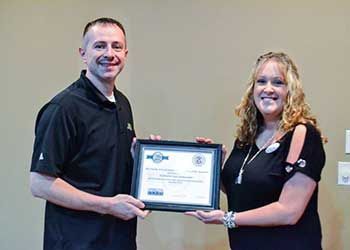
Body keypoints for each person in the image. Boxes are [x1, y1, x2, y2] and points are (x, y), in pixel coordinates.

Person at [30, 17, 152, 250]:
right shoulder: (63, 109)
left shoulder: (122, 104)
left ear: (126, 53)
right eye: (100, 46)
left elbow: (105, 165)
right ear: (83, 54)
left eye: (116, 46)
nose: (109, 53)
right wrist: (107, 205)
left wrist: (145, 160)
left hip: (119, 240)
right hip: (77, 242)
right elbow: (40, 183)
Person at [186, 51, 326, 250]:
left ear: (291, 90)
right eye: (261, 81)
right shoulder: (246, 137)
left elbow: (289, 211)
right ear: (253, 89)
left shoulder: (303, 134)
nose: (268, 89)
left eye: (278, 82)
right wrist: (212, 164)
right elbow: (239, 189)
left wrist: (228, 218)